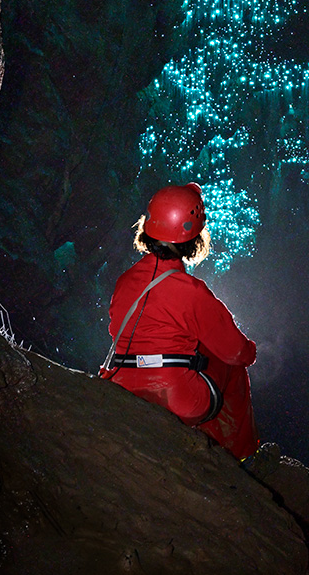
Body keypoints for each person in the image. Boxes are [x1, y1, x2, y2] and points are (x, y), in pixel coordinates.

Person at [100, 182, 260, 462]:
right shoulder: (192, 291)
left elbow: (118, 330)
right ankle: (237, 457)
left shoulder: (124, 282)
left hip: (121, 384)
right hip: (177, 398)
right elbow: (237, 352)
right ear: (193, 236)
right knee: (229, 365)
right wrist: (250, 350)